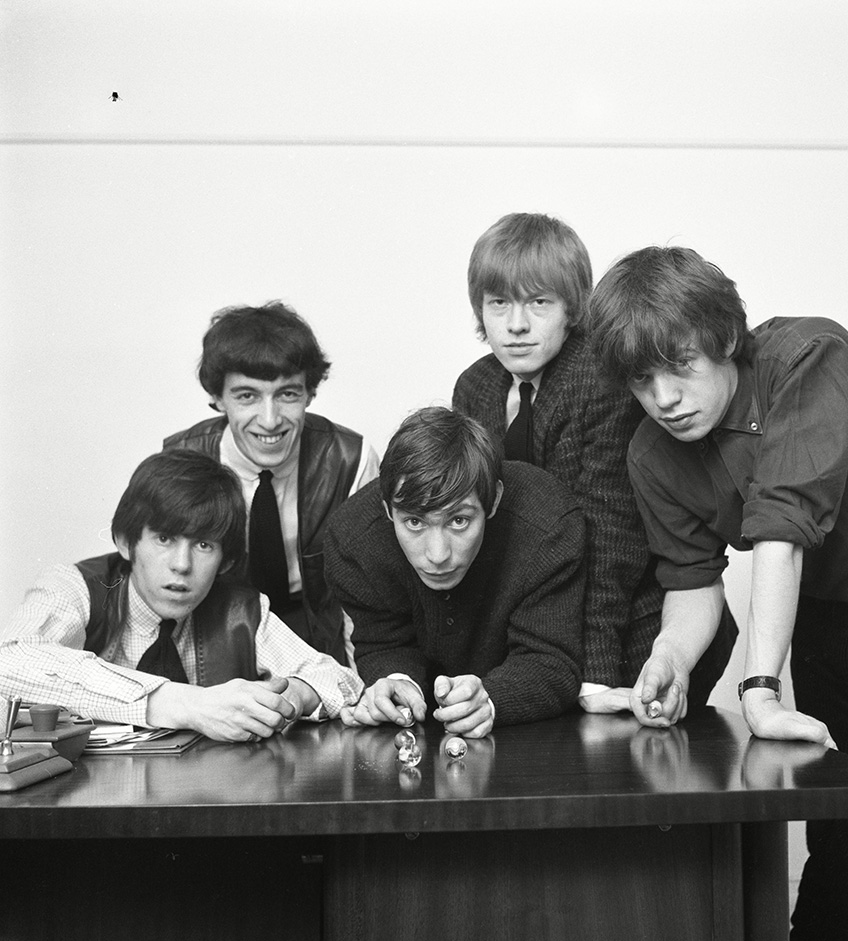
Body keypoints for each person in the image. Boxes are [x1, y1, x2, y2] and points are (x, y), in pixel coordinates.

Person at [587, 244, 848, 941]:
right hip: (823, 622)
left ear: (725, 339)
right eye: (644, 380)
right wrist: (668, 659)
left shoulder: (811, 357)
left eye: (681, 367)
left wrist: (760, 690)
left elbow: (781, 529)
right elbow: (693, 582)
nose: (665, 397)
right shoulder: (652, 455)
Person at [452, 212, 736, 714]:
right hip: (544, 633)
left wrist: (596, 675)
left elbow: (610, 536)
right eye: (499, 303)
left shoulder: (601, 377)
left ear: (572, 308)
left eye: (539, 302)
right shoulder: (475, 386)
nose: (516, 325)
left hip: (637, 629)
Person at [0, 450, 363, 741]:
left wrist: (292, 698)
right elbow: (10, 662)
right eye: (164, 539)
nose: (182, 565)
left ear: (226, 560)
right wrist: (186, 704)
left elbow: (340, 680)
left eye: (204, 545)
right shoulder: (75, 585)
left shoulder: (243, 609)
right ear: (127, 542)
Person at [324, 406, 585, 738]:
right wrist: (395, 682)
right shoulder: (352, 541)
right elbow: (384, 643)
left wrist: (493, 700)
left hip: (536, 738)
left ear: (493, 501)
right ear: (388, 510)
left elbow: (552, 661)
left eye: (459, 520)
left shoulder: (547, 523)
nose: (437, 555)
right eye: (414, 522)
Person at [164, 301, 379, 663]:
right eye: (247, 396)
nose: (270, 420)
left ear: (309, 393)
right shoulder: (180, 461)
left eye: (287, 394)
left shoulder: (351, 459)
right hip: (216, 643)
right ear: (218, 399)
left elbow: (369, 596)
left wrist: (364, 689)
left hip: (319, 639)